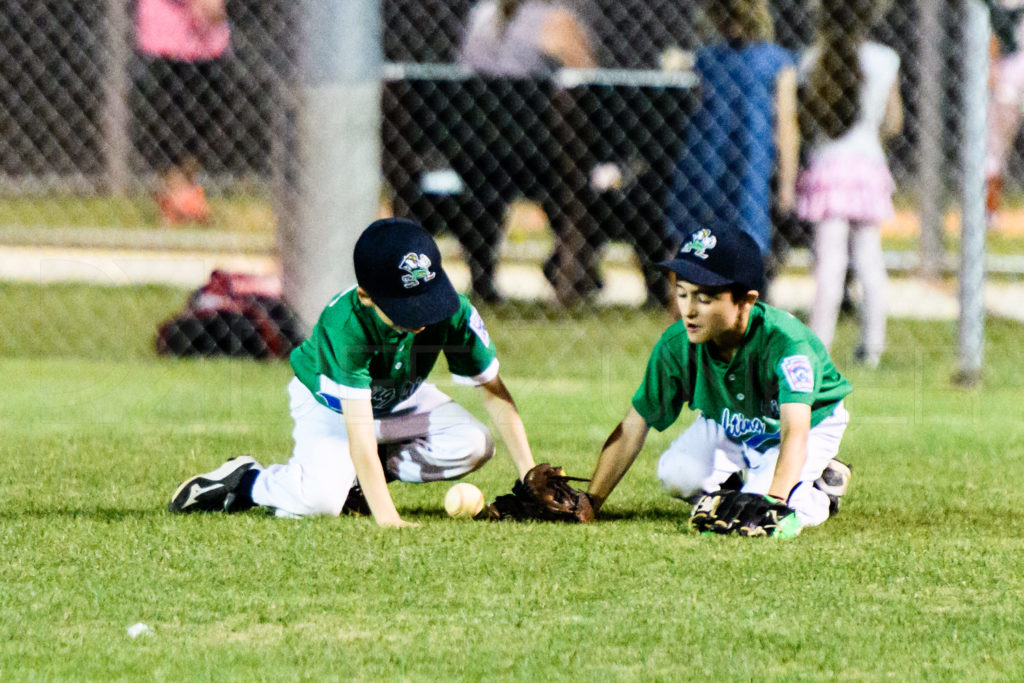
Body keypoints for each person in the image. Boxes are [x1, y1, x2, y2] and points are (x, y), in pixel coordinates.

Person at [168, 218, 538, 527]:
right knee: (320, 503)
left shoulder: (451, 312)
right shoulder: (346, 327)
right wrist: (390, 520)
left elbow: (493, 392)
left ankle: (357, 484)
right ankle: (248, 481)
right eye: (407, 310)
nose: (422, 320)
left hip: (395, 408)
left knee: (473, 442)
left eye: (427, 300)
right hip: (329, 409)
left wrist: (530, 477)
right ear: (365, 296)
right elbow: (359, 436)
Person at [584, 222, 853, 536]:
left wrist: (773, 503)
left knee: (762, 507)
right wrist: (590, 502)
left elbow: (795, 432)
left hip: (808, 423)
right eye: (683, 292)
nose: (689, 310)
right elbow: (633, 427)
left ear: (746, 301)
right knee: (676, 473)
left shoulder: (787, 344)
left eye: (706, 297)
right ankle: (745, 487)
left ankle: (821, 493)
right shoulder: (677, 344)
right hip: (734, 422)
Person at [454, 0, 598, 304]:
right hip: (542, 160)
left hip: (478, 156)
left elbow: (463, 81)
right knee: (576, 170)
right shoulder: (554, 20)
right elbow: (589, 82)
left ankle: (483, 279)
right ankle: (571, 276)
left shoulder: (479, 16)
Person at [666, 0, 799, 296]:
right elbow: (787, 126)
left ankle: (680, 324)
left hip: (703, 165)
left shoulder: (707, 60)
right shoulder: (778, 62)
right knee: (747, 247)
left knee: (691, 248)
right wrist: (788, 184)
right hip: (749, 170)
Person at [796, 0, 902, 367]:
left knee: (829, 265)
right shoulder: (885, 59)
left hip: (827, 169)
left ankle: (817, 347)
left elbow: (807, 118)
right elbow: (893, 122)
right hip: (867, 168)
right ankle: (872, 346)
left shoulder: (812, 59)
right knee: (870, 262)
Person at [134, 0, 231, 226]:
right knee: (170, 117)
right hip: (167, 37)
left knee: (204, 116)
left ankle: (185, 192)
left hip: (208, 38)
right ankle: (176, 194)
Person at [984, 0, 1024, 230]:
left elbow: (993, 44)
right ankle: (990, 212)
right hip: (1013, 76)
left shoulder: (996, 8)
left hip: (1008, 77)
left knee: (993, 149)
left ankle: (991, 214)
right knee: (994, 148)